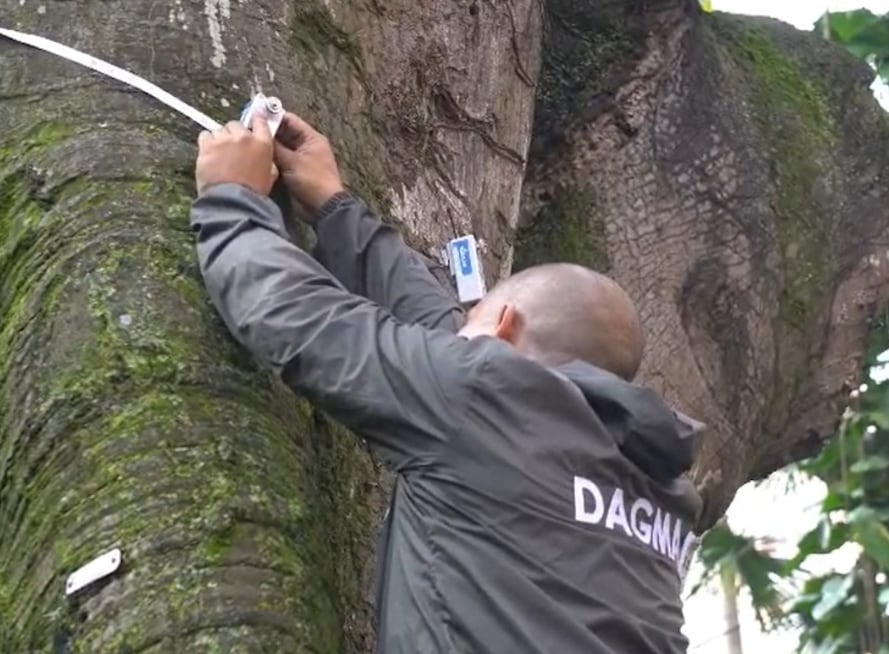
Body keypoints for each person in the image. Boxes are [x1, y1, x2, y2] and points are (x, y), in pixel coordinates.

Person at [191, 110, 706, 654]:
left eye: (472, 322)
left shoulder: (486, 401)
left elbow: (304, 323)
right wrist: (336, 210)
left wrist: (233, 198)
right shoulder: (656, 486)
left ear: (504, 327)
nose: (455, 336)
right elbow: (443, 337)